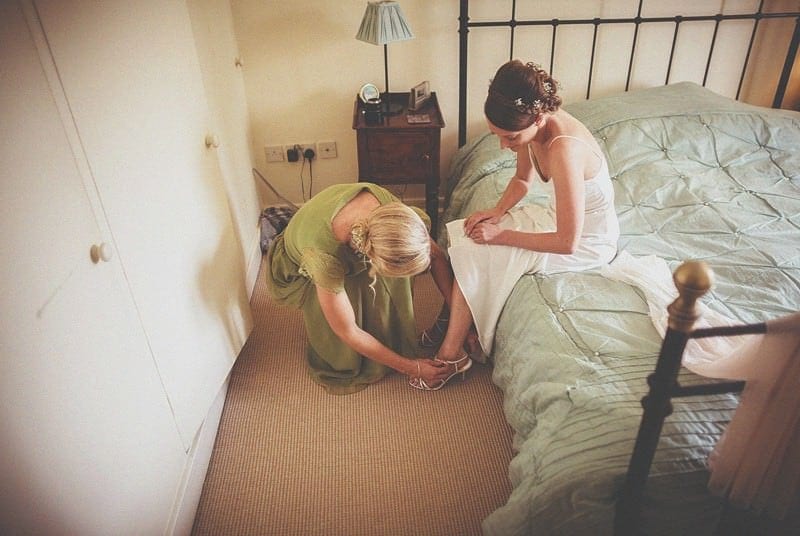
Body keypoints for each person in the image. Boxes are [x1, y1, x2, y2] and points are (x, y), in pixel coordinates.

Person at [426, 59, 620, 364]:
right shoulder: (534, 126)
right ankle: (454, 322)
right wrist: (497, 211)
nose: (504, 146)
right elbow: (521, 179)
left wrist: (501, 235)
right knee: (468, 234)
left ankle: (451, 355)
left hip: (586, 241)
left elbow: (567, 243)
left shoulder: (564, 150)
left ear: (539, 118)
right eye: (497, 135)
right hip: (556, 219)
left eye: (511, 138)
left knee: (482, 251)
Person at [265, 182, 472, 394]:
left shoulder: (394, 217)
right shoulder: (323, 258)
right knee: (341, 332)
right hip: (308, 251)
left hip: (348, 236)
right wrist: (412, 367)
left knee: (398, 271)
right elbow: (347, 330)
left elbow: (435, 256)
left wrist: (460, 324)